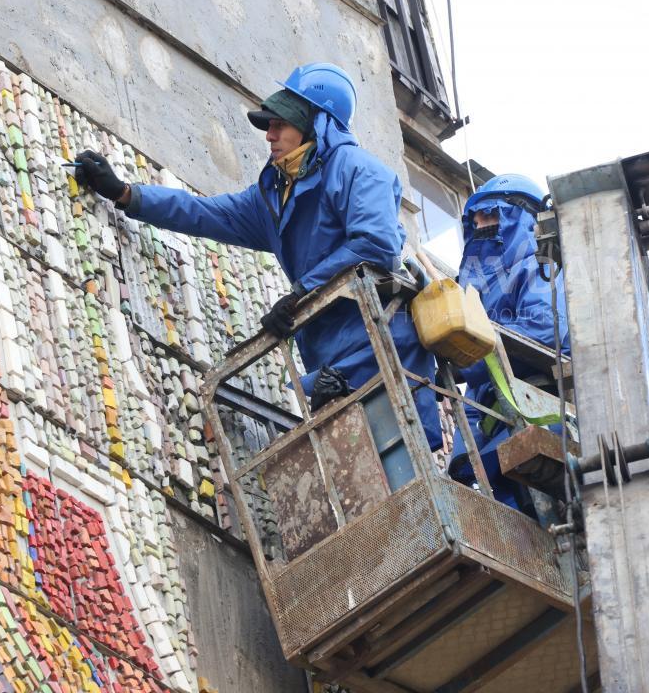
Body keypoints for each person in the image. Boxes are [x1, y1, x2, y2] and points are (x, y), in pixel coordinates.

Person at [70, 63, 441, 449]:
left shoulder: (359, 171)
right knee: (357, 470)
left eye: (280, 124)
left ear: (315, 124)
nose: (270, 135)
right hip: (328, 358)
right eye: (269, 126)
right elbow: (205, 212)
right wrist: (126, 193)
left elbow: (376, 244)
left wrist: (301, 293)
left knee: (397, 461)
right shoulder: (272, 196)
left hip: (380, 347)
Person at [447, 174, 571, 508]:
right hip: (498, 427)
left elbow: (546, 328)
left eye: (488, 214)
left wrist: (472, 347)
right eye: (474, 218)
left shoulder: (541, 268)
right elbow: (479, 391)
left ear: (519, 218)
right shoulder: (478, 292)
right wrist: (463, 453)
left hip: (543, 411)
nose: (478, 222)